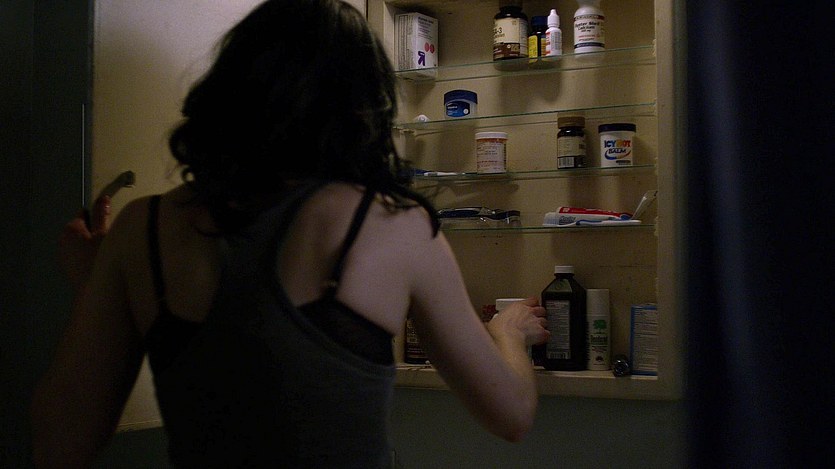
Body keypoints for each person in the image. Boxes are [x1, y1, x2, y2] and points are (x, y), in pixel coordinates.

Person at [30, 0, 550, 467]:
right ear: (364, 110)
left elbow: (59, 445)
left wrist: (96, 286)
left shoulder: (141, 229)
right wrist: (507, 333)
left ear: (229, 91)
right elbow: (511, 415)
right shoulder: (396, 225)